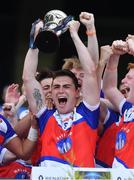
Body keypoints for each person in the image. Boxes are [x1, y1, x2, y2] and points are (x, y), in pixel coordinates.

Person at [22, 15, 100, 169]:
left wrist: (74, 34)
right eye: (56, 87)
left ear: (77, 92)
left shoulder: (88, 113)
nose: (60, 91)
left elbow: (90, 71)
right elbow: (28, 78)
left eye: (66, 86)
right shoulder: (45, 115)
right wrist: (35, 44)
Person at [102, 39, 134, 168]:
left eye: (129, 77)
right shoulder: (128, 109)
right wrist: (114, 56)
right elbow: (109, 88)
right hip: (119, 173)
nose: (123, 80)